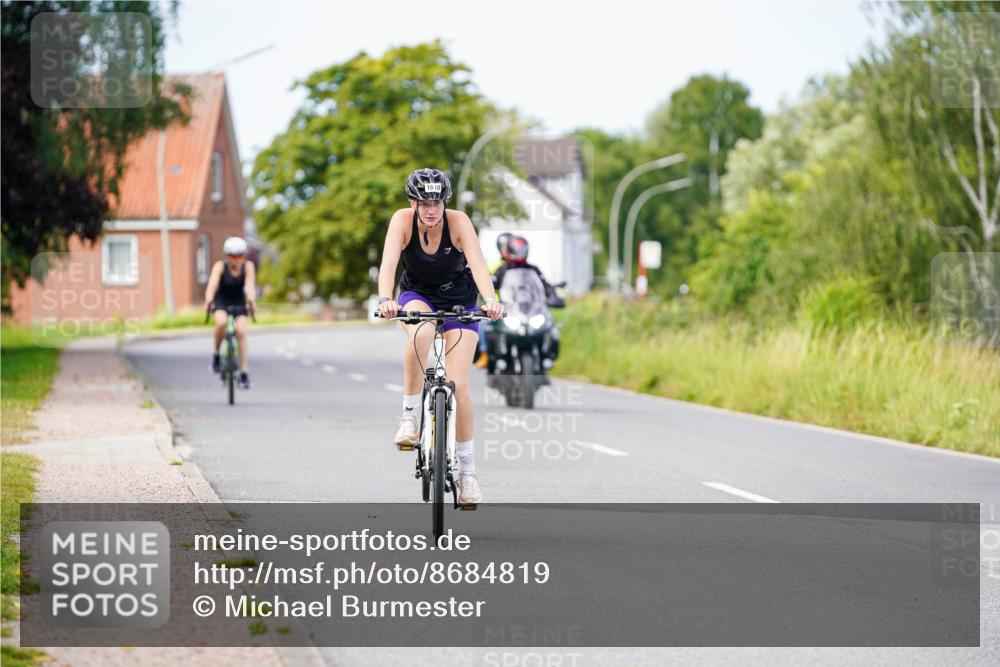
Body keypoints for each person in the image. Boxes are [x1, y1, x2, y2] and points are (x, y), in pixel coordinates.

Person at [376, 168, 503, 504]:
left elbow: (478, 265)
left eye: (437, 202)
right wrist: (386, 299)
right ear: (413, 203)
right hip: (417, 295)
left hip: (460, 299)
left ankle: (467, 474)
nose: (432, 209)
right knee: (421, 333)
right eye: (425, 203)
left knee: (459, 385)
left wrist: (491, 300)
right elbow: (389, 264)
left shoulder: (459, 222)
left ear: (445, 202)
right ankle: (409, 417)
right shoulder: (401, 221)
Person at [204, 236, 256, 389]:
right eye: (233, 256)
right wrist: (209, 300)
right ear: (228, 256)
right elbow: (212, 285)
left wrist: (251, 301)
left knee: (241, 331)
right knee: (221, 323)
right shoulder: (220, 266)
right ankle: (216, 355)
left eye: (240, 256)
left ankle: (244, 373)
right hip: (222, 300)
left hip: (239, 301)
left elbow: (250, 286)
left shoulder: (248, 266)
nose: (237, 259)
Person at [492, 235, 560, 304]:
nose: (519, 253)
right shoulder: (503, 270)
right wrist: (490, 301)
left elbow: (545, 285)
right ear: (510, 249)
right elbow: (491, 285)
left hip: (533, 307)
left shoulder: (533, 269)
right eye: (516, 250)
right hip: (509, 308)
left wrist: (552, 296)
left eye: (522, 250)